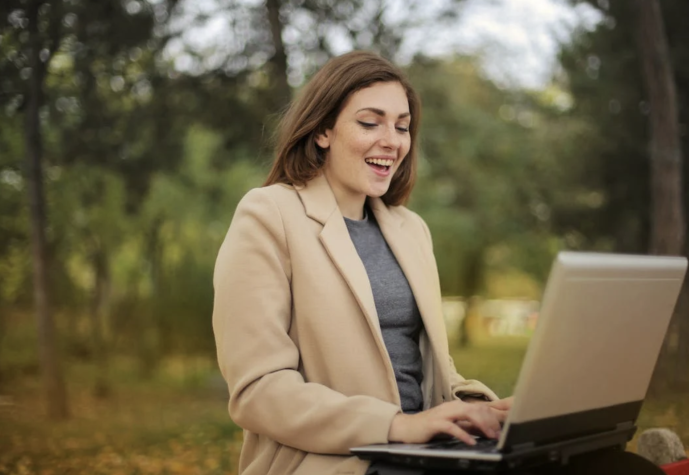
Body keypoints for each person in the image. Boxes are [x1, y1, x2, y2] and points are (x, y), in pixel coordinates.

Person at [212, 51, 664, 475]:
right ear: (323, 131)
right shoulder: (269, 215)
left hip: (423, 452)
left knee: (621, 468)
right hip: (337, 461)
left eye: (403, 127)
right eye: (371, 123)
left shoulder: (410, 230)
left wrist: (483, 409)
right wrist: (397, 425)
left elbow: (435, 377)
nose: (391, 141)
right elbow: (260, 391)